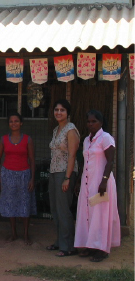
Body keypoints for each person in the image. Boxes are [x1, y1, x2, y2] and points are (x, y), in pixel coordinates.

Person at [74, 110, 120, 262]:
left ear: (100, 122)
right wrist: (78, 181)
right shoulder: (87, 140)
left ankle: (102, 249)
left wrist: (104, 181)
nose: (90, 124)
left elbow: (110, 161)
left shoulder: (106, 138)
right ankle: (90, 245)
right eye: (88, 121)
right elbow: (84, 162)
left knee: (100, 215)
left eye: (93, 121)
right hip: (87, 182)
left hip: (101, 183)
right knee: (87, 214)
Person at [0, 113, 36, 245]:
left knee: (25, 204)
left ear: (21, 123)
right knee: (11, 204)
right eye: (11, 121)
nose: (14, 123)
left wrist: (32, 179)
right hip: (7, 174)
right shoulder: (3, 139)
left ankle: (26, 234)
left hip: (24, 174)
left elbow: (32, 159)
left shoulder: (27, 139)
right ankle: (13, 233)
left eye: (16, 121)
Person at [47, 99, 80, 257]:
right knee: (55, 209)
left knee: (63, 209)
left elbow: (72, 155)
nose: (58, 112)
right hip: (53, 172)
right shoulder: (56, 130)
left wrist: (67, 177)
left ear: (68, 113)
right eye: (56, 109)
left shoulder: (71, 130)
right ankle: (60, 242)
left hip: (64, 173)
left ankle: (68, 246)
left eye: (62, 110)